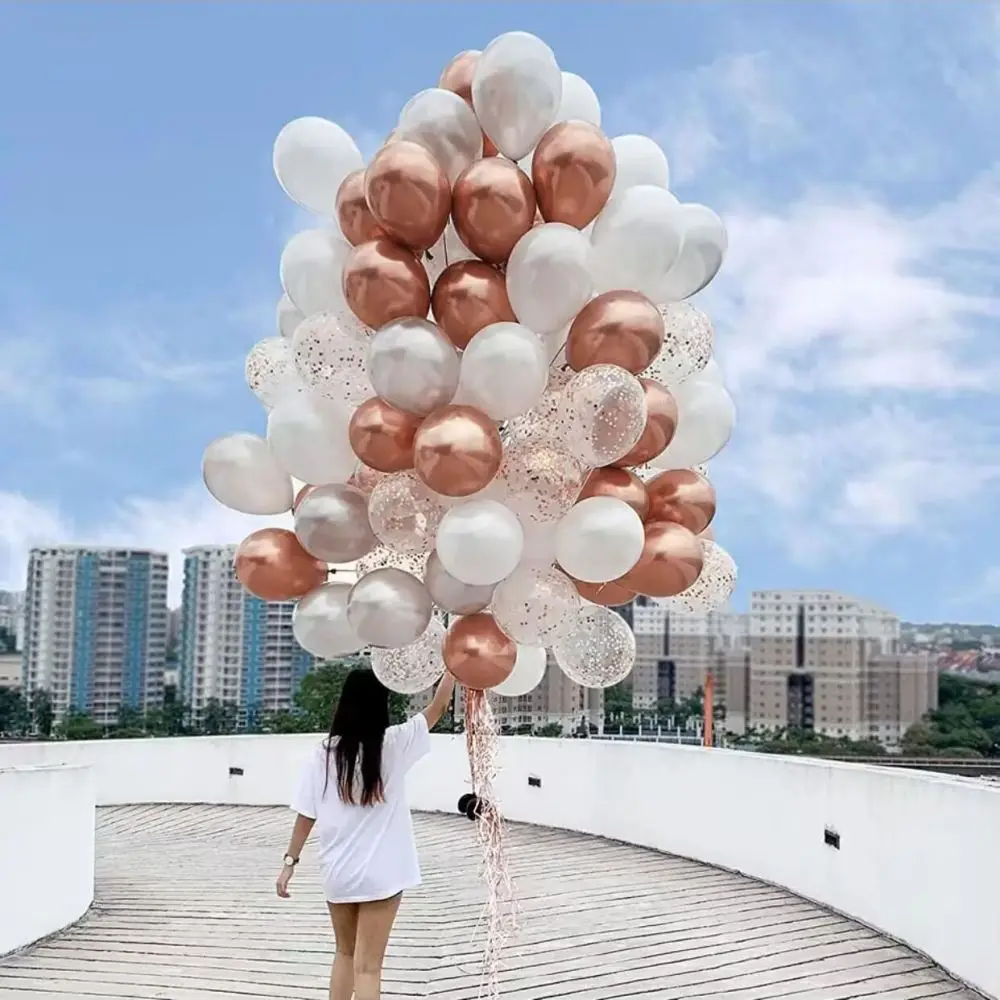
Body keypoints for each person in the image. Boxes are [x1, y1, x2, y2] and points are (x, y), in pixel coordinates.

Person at [277, 667, 456, 1000]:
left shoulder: (324, 753)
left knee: (344, 954)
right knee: (369, 967)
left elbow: (306, 813)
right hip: (382, 875)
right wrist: (452, 666)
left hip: (339, 873)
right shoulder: (395, 743)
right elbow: (439, 706)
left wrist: (290, 861)